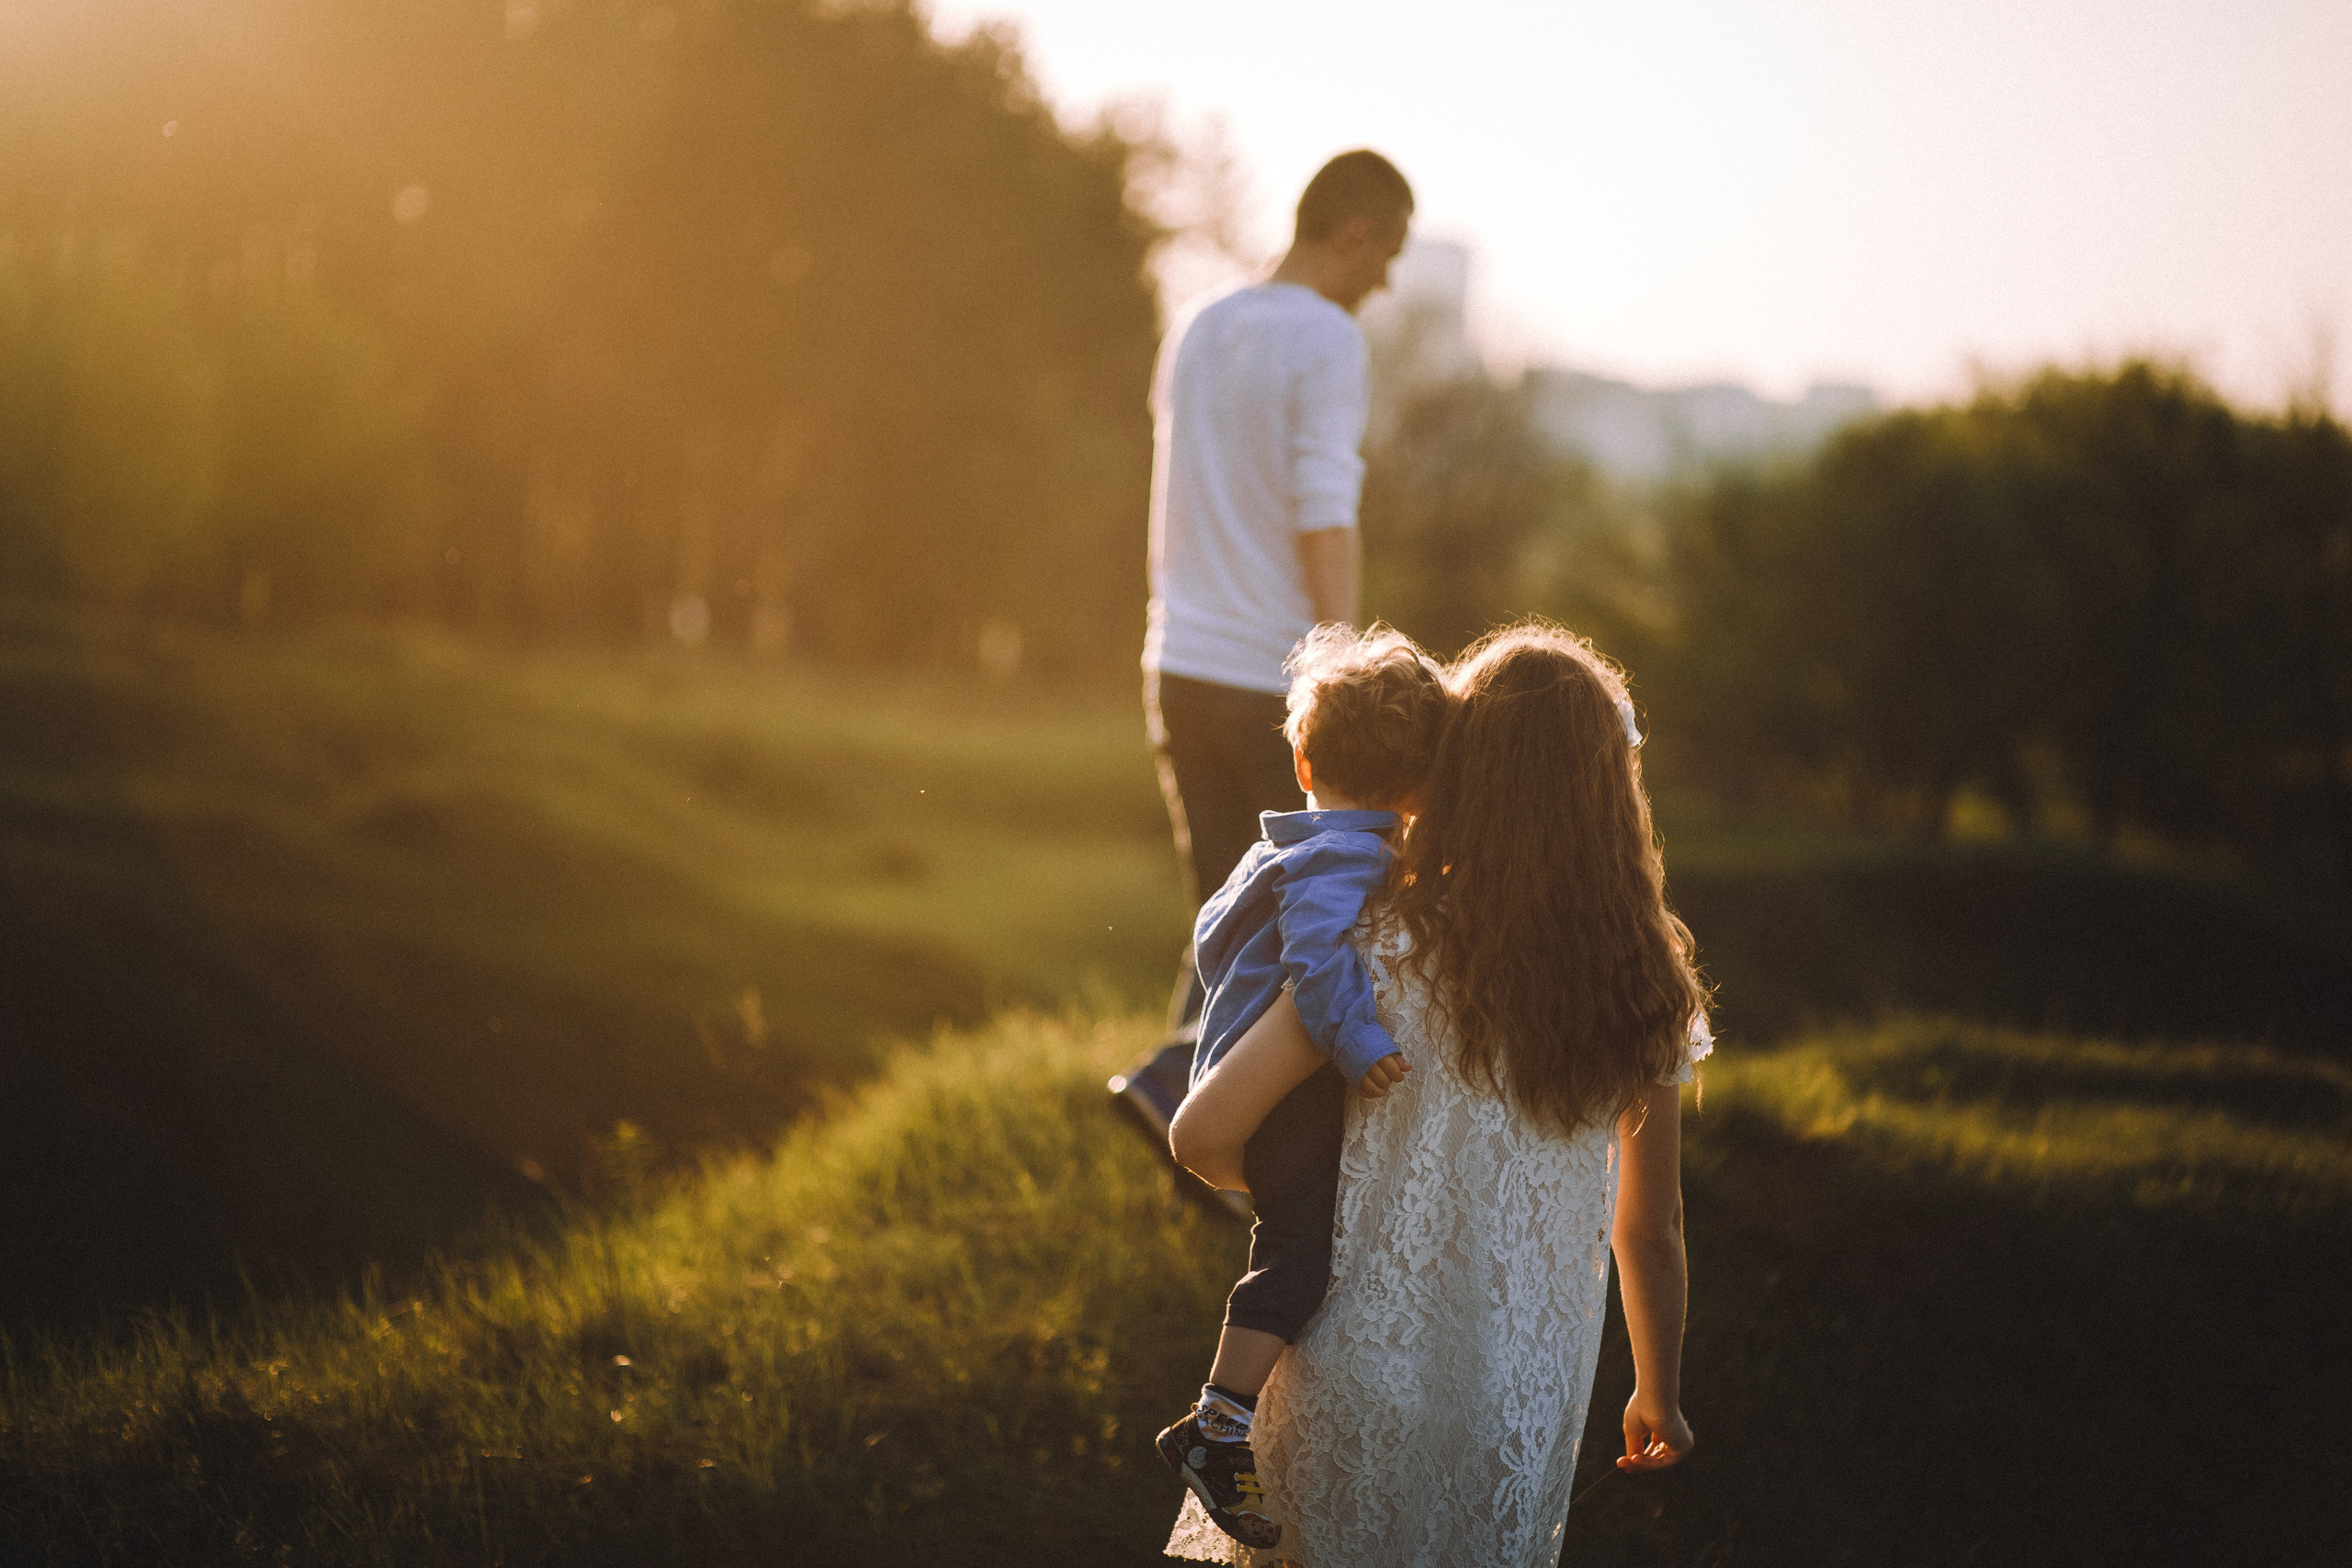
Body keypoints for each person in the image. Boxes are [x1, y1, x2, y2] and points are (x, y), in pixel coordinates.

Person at [1165, 622, 1713, 1568]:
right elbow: (1649, 1227)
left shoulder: (1376, 951)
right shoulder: (1645, 992)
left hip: (1342, 1380)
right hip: (1509, 1407)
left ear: (1456, 773)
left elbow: (1201, 1135)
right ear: (1612, 797)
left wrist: (1309, 1200)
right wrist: (1656, 1389)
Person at [1152, 626, 1448, 1549]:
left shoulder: (1292, 844)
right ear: (1418, 785)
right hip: (1282, 1090)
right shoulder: (1343, 859)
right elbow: (1318, 961)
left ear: (1302, 758)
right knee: (1298, 1259)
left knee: (1292, 1244)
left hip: (1247, 1071)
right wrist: (1358, 1040)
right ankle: (1216, 1424)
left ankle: (1220, 1420)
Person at [1143, 150, 1414, 1030]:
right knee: (1305, 931)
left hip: (1179, 666)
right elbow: (1324, 513)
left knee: (1224, 918)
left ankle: (1179, 1097)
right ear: (1355, 235)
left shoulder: (1197, 323)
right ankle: (1183, 1093)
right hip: (1276, 680)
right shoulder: (1327, 338)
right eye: (1388, 256)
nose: (1385, 282)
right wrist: (1348, 673)